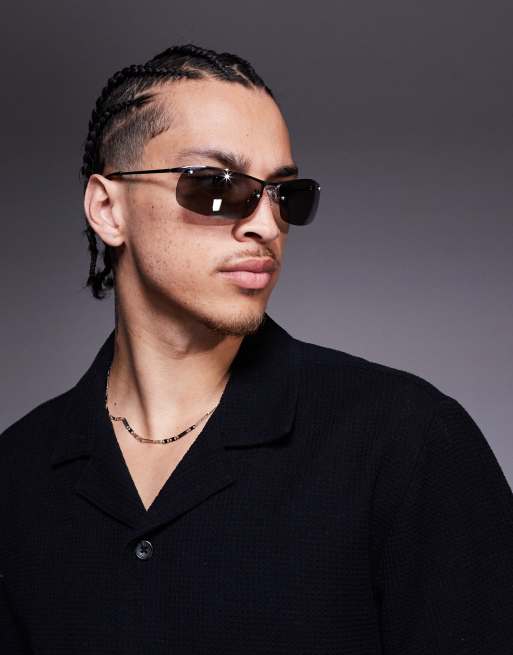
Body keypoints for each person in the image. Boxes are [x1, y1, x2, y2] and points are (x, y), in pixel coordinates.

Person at [1, 43, 512, 654]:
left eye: (285, 195)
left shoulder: (409, 442)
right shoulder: (17, 474)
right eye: (216, 186)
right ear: (108, 209)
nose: (267, 225)